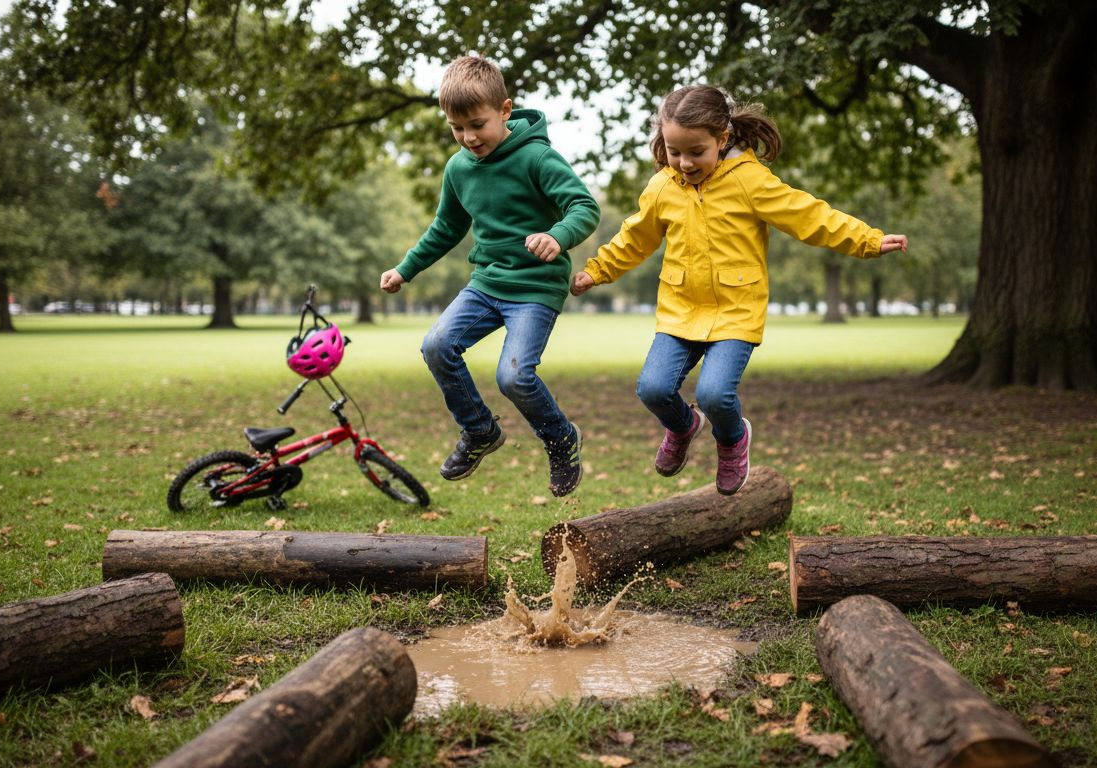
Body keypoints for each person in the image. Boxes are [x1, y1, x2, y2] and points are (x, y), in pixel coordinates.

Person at [572, 84, 907, 495]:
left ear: (723, 139)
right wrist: (597, 270)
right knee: (653, 389)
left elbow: (808, 215)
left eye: (696, 151)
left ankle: (732, 440)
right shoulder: (662, 187)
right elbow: (634, 238)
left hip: (735, 311)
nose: (685, 162)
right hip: (680, 310)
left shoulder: (750, 181)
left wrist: (868, 240)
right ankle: (683, 426)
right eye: (675, 152)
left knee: (714, 394)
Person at [381, 55, 600, 497]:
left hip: (536, 287)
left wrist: (557, 237)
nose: (468, 137)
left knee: (514, 377)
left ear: (505, 110)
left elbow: (584, 207)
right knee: (437, 345)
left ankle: (561, 438)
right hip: (487, 284)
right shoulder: (458, 168)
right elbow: (446, 228)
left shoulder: (537, 157)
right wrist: (406, 269)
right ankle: (480, 431)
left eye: (477, 124)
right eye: (456, 128)